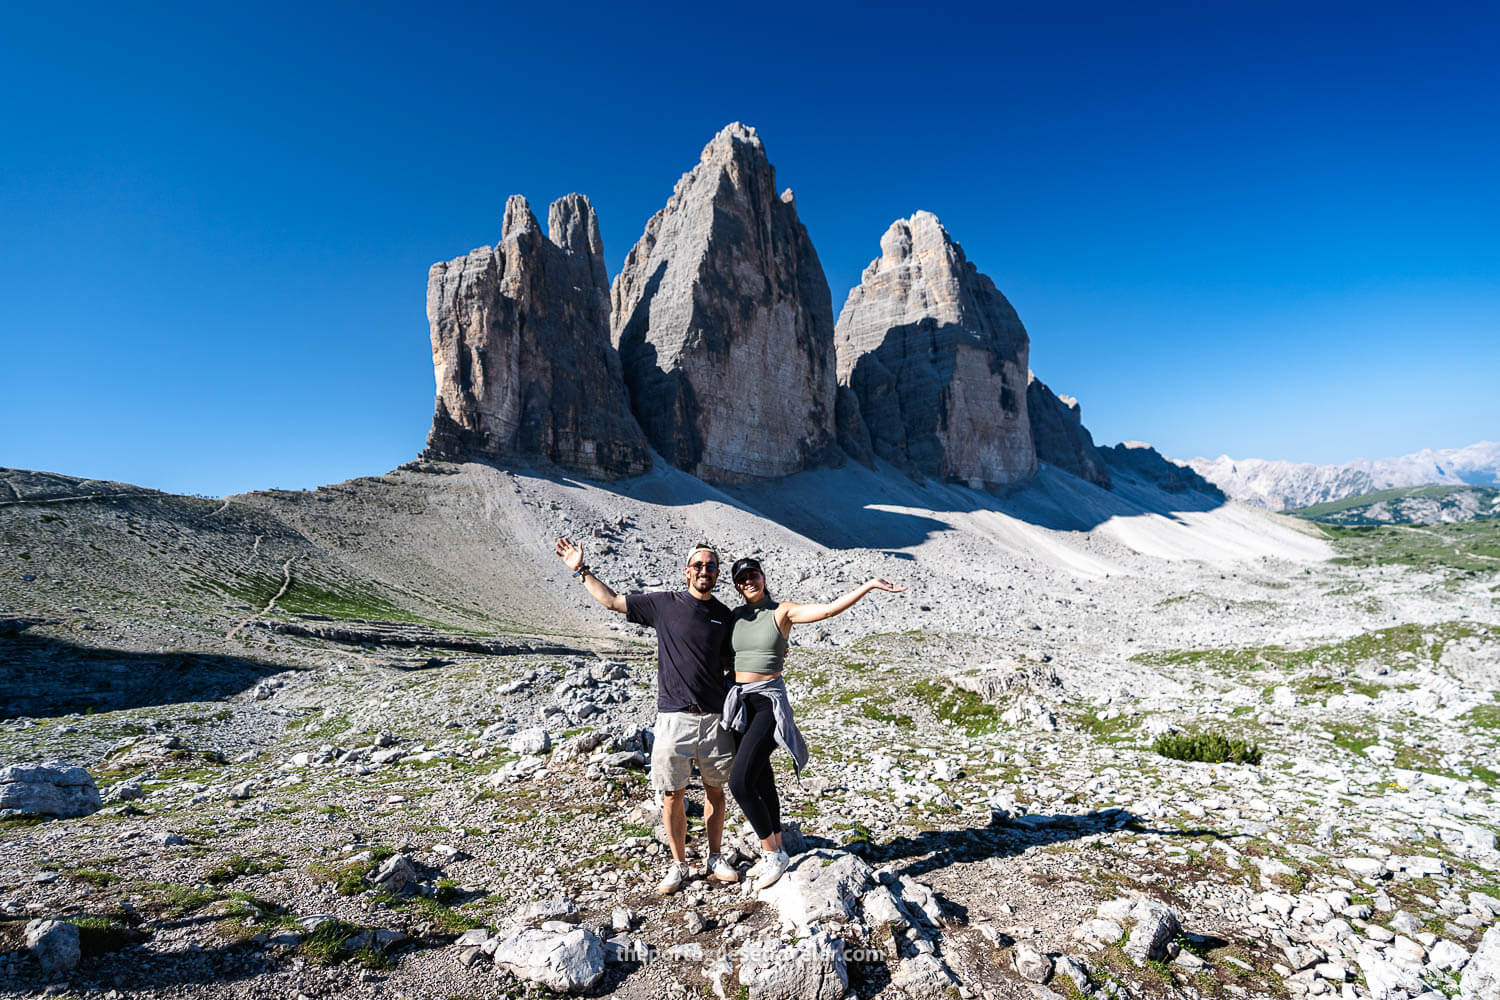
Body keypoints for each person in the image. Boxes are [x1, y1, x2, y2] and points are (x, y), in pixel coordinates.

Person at [555, 536, 740, 894]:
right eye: (699, 565)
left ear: (717, 573)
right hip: (674, 718)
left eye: (711, 566)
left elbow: (735, 662)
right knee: (673, 793)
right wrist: (580, 570)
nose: (705, 570)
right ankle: (679, 864)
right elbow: (611, 602)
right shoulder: (663, 604)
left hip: (715, 718)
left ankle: (715, 857)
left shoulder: (724, 615)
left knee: (716, 791)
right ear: (687, 571)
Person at [723, 557, 906, 890]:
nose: (748, 581)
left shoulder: (783, 611)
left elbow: (828, 610)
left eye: (753, 575)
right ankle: (777, 846)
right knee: (761, 777)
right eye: (742, 578)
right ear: (737, 585)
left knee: (739, 782)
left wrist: (868, 585)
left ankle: (771, 855)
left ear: (763, 578)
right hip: (740, 703)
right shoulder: (736, 616)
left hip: (767, 701)